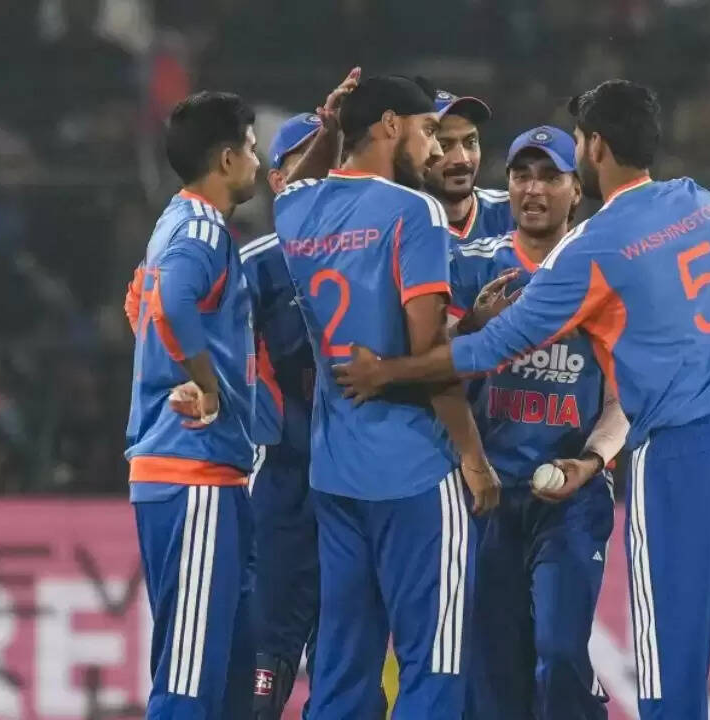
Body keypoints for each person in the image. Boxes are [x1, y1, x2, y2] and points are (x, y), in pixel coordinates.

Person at [332, 79, 710, 720]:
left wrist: (388, 372)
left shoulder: (593, 246)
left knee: (670, 673)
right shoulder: (701, 201)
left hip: (685, 450)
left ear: (595, 150)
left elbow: (490, 346)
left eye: (577, 144)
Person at [272, 74, 500, 718]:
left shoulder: (295, 212)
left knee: (343, 668)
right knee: (434, 666)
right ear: (391, 125)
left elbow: (294, 188)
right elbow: (429, 354)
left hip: (336, 471)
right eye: (428, 131)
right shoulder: (415, 211)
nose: (437, 149)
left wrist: (331, 127)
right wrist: (473, 457)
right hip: (416, 471)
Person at [453, 126, 625, 720]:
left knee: (558, 652)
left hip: (570, 501)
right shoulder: (470, 265)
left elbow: (623, 400)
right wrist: (469, 327)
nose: (534, 189)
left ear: (577, 189)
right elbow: (430, 370)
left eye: (551, 176)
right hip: (485, 497)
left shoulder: (605, 272)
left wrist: (592, 461)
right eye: (522, 175)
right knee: (493, 680)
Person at [123, 90, 261, 719]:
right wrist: (204, 381)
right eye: (251, 149)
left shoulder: (172, 222)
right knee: (189, 676)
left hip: (196, 472)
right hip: (194, 468)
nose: (257, 161)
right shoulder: (202, 229)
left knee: (224, 669)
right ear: (227, 159)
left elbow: (141, 304)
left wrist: (173, 361)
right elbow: (172, 302)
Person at [240, 112, 322, 720]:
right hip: (281, 471)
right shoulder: (257, 265)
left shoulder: (373, 250)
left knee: (346, 642)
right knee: (269, 640)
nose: (321, 174)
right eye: (305, 163)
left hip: (356, 473)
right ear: (276, 181)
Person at [423, 89, 514, 243]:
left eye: (470, 142)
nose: (462, 159)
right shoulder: (394, 225)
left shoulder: (515, 212)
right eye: (443, 146)